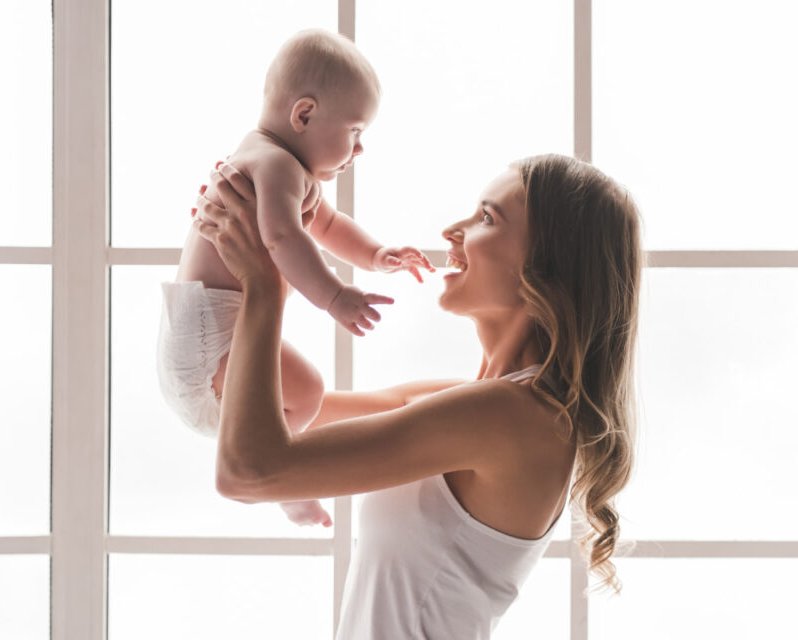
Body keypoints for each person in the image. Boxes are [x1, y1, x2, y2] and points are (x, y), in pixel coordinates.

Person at [193, 154, 643, 638]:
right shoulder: (479, 406)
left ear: (547, 267)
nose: (453, 230)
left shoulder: (512, 418)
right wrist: (256, 233)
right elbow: (278, 413)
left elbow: (247, 473)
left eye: (487, 218)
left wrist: (262, 283)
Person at [157, 28, 433, 527]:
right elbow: (284, 239)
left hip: (197, 344)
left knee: (306, 397)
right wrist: (335, 298)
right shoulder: (275, 165)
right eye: (355, 131)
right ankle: (281, 480)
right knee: (306, 392)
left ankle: (274, 468)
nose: (360, 148)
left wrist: (375, 255)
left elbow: (324, 225)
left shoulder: (276, 162)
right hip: (209, 346)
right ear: (304, 114)